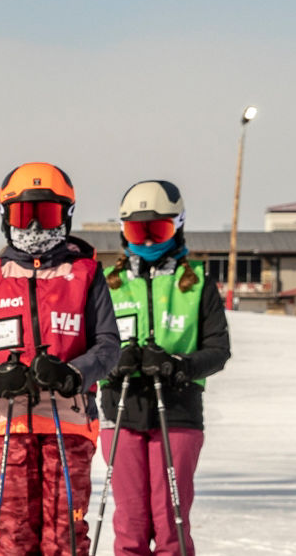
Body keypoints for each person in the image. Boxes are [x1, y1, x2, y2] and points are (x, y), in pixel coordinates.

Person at [0, 162, 120, 556]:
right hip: (5, 426)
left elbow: (108, 345)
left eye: (49, 214)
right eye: (26, 215)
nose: (37, 228)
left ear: (67, 216)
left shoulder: (86, 275)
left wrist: (74, 373)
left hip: (69, 426)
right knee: (13, 539)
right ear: (6, 218)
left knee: (65, 540)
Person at [97, 181, 231, 556]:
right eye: (139, 231)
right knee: (131, 526)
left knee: (171, 523)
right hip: (120, 409)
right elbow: (90, 350)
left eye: (160, 230)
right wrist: (112, 363)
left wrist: (178, 365)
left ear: (178, 227)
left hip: (177, 410)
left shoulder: (197, 282)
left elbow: (219, 350)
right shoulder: (108, 282)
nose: (150, 242)